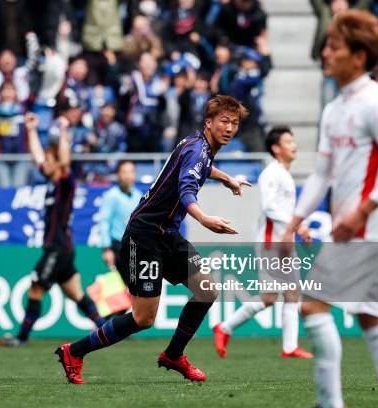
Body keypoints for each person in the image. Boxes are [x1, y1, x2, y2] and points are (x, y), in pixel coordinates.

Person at [55, 95, 251, 385]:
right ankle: (75, 351)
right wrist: (205, 219)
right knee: (143, 318)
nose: (230, 128)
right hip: (145, 236)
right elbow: (187, 191)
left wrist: (226, 179)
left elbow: (201, 169)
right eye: (224, 121)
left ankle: (173, 355)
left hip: (167, 234)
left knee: (207, 289)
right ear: (208, 122)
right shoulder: (198, 149)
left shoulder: (198, 146)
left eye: (234, 123)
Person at [282, 11, 378, 408]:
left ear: (359, 56)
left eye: (334, 46)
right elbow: (322, 173)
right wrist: (294, 219)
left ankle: (331, 404)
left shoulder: (377, 102)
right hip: (354, 228)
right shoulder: (334, 108)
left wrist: (362, 210)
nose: (325, 53)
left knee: (312, 305)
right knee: (371, 318)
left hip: (364, 228)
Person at [0, 112, 106, 347]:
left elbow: (65, 162)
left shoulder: (65, 184)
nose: (43, 162)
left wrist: (64, 134)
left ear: (57, 162)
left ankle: (21, 338)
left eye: (48, 159)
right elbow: (37, 156)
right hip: (63, 249)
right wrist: (31, 130)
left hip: (57, 249)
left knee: (36, 289)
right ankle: (108, 330)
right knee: (76, 293)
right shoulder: (51, 182)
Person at [213, 126, 313, 359]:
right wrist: (297, 226)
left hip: (284, 243)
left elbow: (283, 210)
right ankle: (225, 327)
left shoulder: (285, 175)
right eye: (288, 141)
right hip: (270, 244)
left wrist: (298, 228)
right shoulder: (271, 173)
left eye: (293, 140)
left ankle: (290, 347)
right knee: (269, 298)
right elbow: (268, 206)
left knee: (290, 293)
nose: (294, 145)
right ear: (276, 149)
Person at [98, 160, 143, 281]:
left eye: (131, 172)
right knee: (125, 286)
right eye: (124, 172)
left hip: (136, 246)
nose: (128, 175)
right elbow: (104, 222)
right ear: (118, 175)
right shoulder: (111, 196)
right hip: (118, 247)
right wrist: (106, 249)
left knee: (137, 288)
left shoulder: (139, 196)